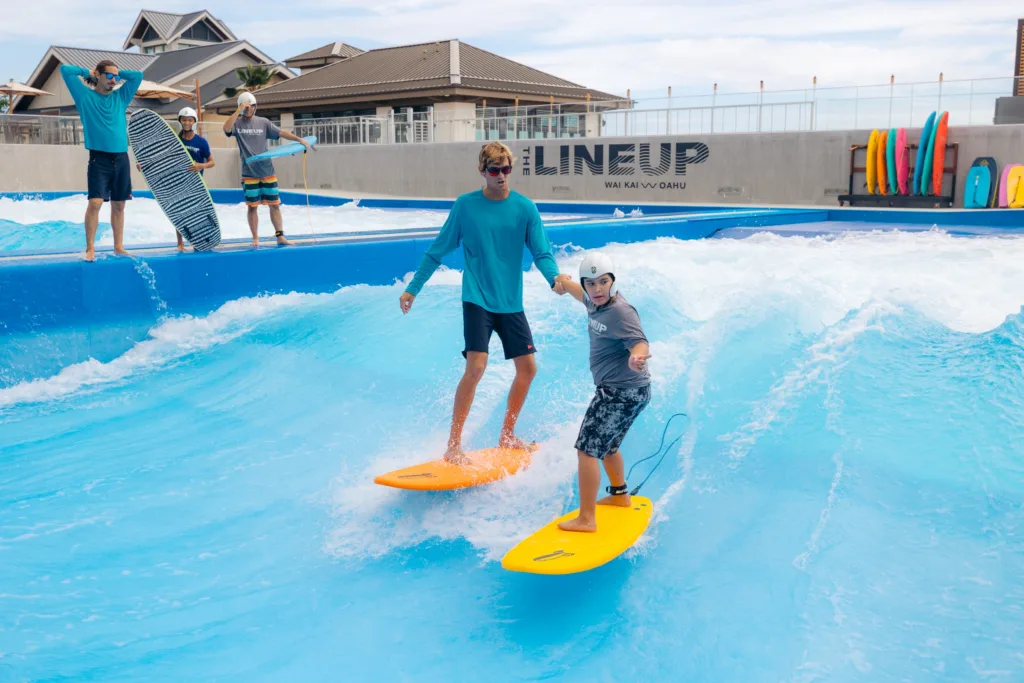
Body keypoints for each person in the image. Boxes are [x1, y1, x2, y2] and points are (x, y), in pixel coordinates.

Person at [399, 142, 570, 464]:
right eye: (495, 170)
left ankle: (507, 436)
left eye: (506, 169)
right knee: (476, 366)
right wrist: (413, 288)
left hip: (510, 301)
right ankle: (453, 446)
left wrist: (554, 278)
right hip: (477, 296)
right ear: (482, 171)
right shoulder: (466, 206)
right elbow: (438, 249)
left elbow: (542, 252)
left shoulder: (525, 208)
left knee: (528, 369)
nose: (502, 175)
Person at [552, 252, 653, 533]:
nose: (597, 289)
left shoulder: (621, 311)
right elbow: (574, 290)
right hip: (631, 392)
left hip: (620, 393)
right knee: (609, 446)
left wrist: (637, 357)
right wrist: (562, 280)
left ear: (613, 282)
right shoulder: (593, 301)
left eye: (603, 282)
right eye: (591, 283)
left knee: (587, 450)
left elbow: (640, 341)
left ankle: (587, 519)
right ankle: (620, 496)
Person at [60, 59, 143, 261]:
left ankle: (118, 246)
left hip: (121, 157)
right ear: (97, 74)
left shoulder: (121, 97)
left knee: (119, 205)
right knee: (96, 202)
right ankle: (90, 248)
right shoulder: (84, 96)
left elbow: (137, 76)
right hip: (99, 157)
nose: (114, 80)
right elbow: (65, 70)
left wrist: (116, 71)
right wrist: (87, 71)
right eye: (109, 76)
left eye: (116, 77)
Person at [222, 92, 311, 247]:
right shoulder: (237, 123)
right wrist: (238, 110)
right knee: (252, 207)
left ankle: (280, 236)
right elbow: (226, 128)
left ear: (256, 107)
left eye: (251, 106)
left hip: (267, 171)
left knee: (275, 204)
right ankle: (255, 238)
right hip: (249, 172)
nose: (249, 109)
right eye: (245, 107)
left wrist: (299, 140)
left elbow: (281, 133)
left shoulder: (263, 122)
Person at [136, 106, 216, 251]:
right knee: (180, 212)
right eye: (184, 120)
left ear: (194, 122)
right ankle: (180, 243)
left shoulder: (201, 142)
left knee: (196, 212)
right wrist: (144, 165)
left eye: (189, 120)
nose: (186, 123)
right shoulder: (174, 141)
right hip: (178, 183)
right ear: (180, 122)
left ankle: (199, 240)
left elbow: (212, 162)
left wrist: (201, 165)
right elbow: (161, 158)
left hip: (196, 183)